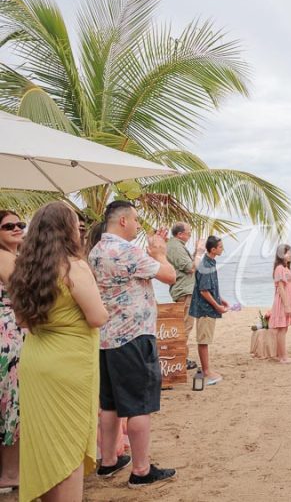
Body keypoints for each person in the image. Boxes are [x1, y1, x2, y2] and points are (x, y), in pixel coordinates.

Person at [9, 202, 109, 501]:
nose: (80, 231)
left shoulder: (25, 270)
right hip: (69, 364)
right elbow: (97, 317)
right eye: (76, 226)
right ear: (67, 231)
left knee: (45, 445)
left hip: (37, 359)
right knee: (67, 446)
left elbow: (23, 320)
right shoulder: (72, 266)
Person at [88, 200, 177, 487]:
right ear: (123, 220)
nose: (138, 226)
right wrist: (160, 252)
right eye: (136, 220)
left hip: (105, 339)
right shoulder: (127, 251)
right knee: (139, 405)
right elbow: (170, 276)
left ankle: (110, 462)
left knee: (110, 404)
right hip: (133, 336)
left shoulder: (96, 251)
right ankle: (141, 470)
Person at [0, 211, 24, 491]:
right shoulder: (4, 257)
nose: (17, 228)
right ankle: (9, 474)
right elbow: (25, 291)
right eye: (9, 226)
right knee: (12, 402)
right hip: (10, 334)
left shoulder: (13, 256)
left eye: (20, 224)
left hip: (15, 331)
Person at [188, 236, 229, 385]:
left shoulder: (210, 262)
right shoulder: (206, 264)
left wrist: (220, 299)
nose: (222, 248)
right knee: (204, 340)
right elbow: (204, 291)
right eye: (220, 246)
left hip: (208, 307)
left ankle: (207, 370)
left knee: (205, 339)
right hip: (205, 309)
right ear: (213, 250)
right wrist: (217, 306)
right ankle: (206, 372)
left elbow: (209, 288)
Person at [166, 222, 204, 371]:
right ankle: (179, 359)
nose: (189, 234)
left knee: (184, 326)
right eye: (188, 232)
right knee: (184, 327)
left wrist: (195, 251)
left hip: (185, 290)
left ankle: (182, 357)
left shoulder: (177, 246)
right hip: (184, 291)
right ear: (180, 234)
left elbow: (190, 265)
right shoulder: (175, 246)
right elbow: (191, 268)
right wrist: (200, 252)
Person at [270, 244, 291, 363]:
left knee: (284, 328)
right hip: (283, 301)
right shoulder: (279, 268)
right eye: (288, 253)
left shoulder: (286, 268)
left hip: (288, 300)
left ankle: (280, 355)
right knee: (282, 329)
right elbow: (281, 288)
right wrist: (287, 305)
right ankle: (283, 357)